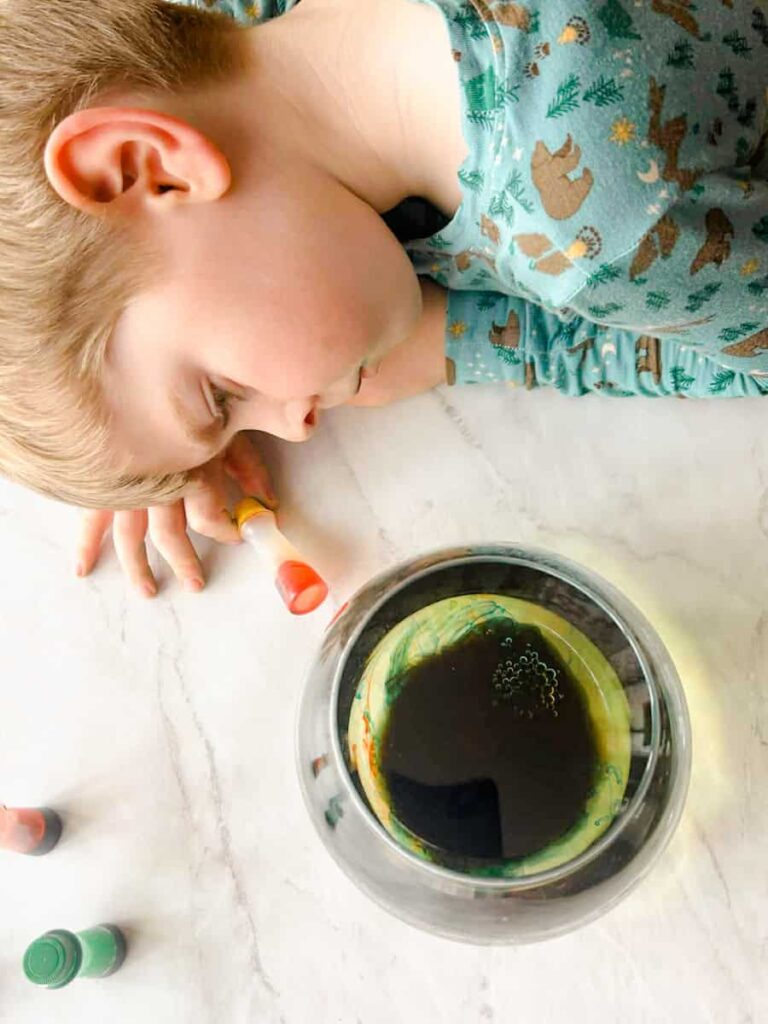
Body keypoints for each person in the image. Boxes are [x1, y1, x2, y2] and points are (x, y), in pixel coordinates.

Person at [0, 0, 766, 596]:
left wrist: (453, 343)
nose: (295, 426)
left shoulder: (595, 229)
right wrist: (151, 450)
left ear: (146, 165)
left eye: (226, 394)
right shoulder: (240, 35)